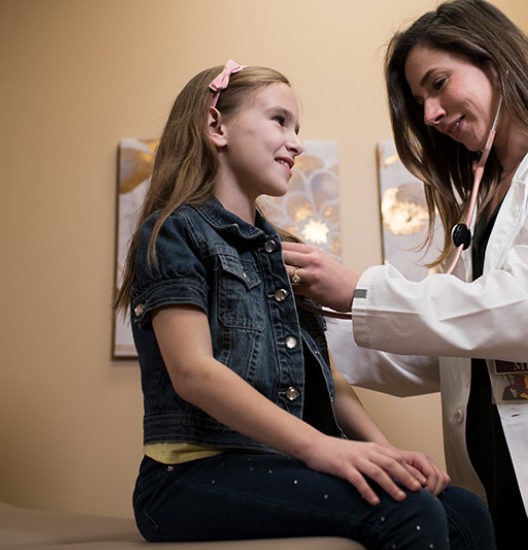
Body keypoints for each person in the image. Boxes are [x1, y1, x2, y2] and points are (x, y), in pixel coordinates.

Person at [281, 1, 528, 549]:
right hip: (507, 494)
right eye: (420, 102)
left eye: (438, 84)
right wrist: (309, 326)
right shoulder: (481, 203)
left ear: (496, 61)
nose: (430, 114)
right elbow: (458, 350)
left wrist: (360, 292)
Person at [113, 60, 495, 549]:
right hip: (183, 479)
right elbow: (194, 372)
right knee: (408, 513)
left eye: (298, 128)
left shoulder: (282, 249)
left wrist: (386, 453)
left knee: (466, 511)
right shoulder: (175, 232)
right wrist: (323, 449)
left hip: (273, 464)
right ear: (216, 126)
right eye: (279, 121)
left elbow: (328, 381)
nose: (296, 142)